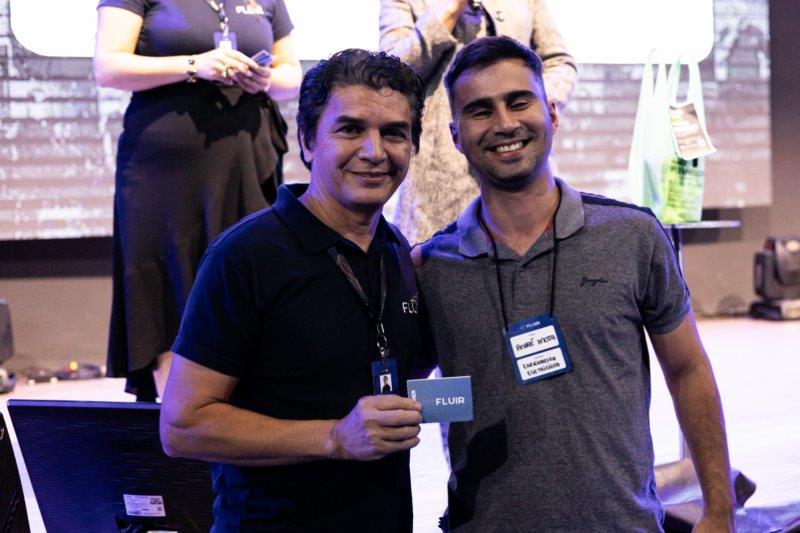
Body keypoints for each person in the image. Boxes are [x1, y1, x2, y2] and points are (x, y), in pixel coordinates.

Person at [414, 36, 734, 531]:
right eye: (480, 110)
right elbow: (405, 391)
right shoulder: (432, 266)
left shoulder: (632, 236)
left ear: (552, 113)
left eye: (519, 101)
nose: (504, 123)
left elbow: (688, 369)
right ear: (456, 135)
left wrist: (719, 510)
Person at [160, 48, 432, 531]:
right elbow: (183, 425)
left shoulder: (396, 251)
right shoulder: (246, 255)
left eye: (394, 133)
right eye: (350, 129)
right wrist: (334, 437)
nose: (374, 151)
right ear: (307, 141)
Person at [93, 0, 302, 401]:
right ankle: (182, 418)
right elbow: (108, 67)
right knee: (171, 287)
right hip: (165, 167)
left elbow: (291, 75)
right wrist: (194, 65)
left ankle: (248, 416)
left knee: (249, 284)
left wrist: (265, 79)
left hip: (248, 163)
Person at [380, 0, 577, 244]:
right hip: (437, 183)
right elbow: (392, 75)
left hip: (524, 178)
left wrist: (529, 107)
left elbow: (559, 62)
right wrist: (451, 10)